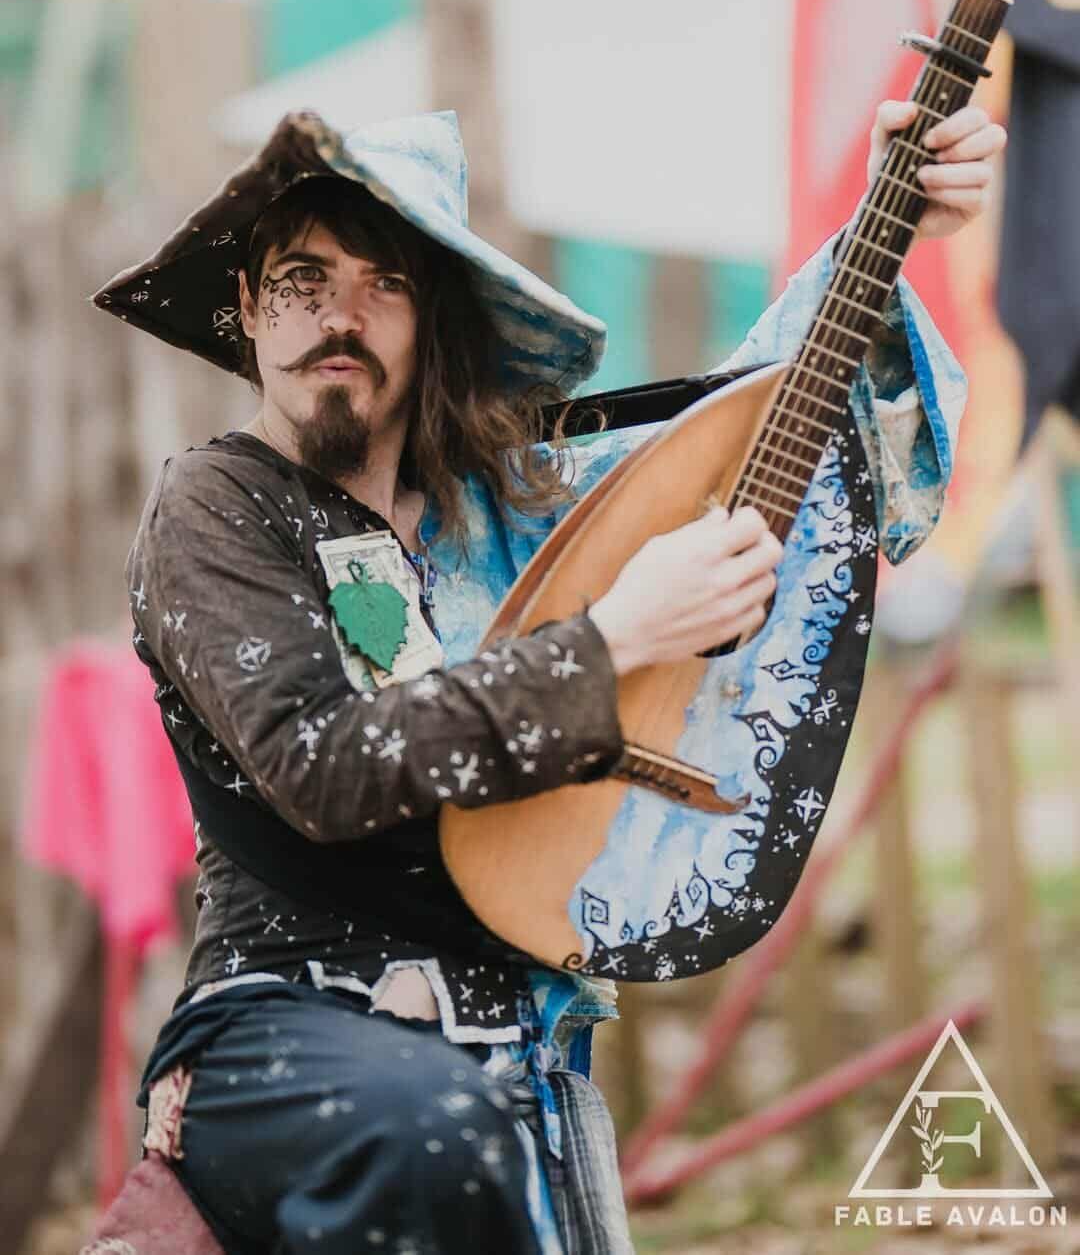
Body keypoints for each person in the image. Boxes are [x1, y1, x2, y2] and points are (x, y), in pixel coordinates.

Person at [92, 97, 1002, 1254]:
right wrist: (615, 637)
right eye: (299, 281)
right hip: (293, 1033)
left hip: (523, 1058)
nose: (339, 315)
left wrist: (889, 214)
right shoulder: (216, 505)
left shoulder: (506, 511)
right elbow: (319, 764)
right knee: (430, 1132)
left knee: (459, 1129)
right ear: (244, 314)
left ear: (433, 323)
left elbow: (743, 439)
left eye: (385, 284)